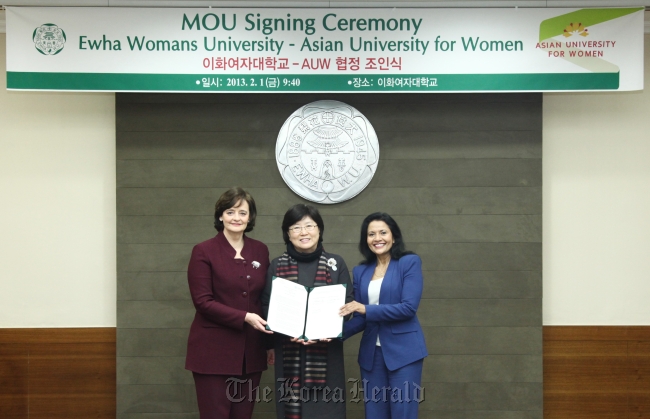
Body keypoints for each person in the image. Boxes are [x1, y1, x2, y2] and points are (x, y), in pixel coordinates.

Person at [185, 187, 272, 419]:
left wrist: (270, 343)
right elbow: (203, 302)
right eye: (231, 212)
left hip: (252, 352)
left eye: (243, 213)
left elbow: (264, 299)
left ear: (250, 217)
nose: (237, 218)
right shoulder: (203, 251)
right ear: (220, 215)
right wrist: (244, 317)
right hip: (212, 353)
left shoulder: (260, 250)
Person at [262, 204, 353, 419]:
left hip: (327, 352)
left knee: (327, 410)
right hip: (288, 350)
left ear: (319, 229)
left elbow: (347, 305)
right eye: (296, 227)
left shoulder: (336, 263)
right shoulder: (276, 266)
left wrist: (326, 330)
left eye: (309, 226)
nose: (304, 232)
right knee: (292, 409)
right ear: (287, 233)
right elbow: (266, 305)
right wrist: (283, 327)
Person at [339, 212, 428, 419]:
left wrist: (365, 309)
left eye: (382, 232)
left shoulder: (409, 262)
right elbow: (361, 317)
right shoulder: (361, 271)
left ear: (394, 236)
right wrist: (333, 335)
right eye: (371, 234)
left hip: (404, 353)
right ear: (366, 240)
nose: (377, 238)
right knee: (375, 414)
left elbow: (408, 308)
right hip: (372, 356)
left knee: (402, 413)